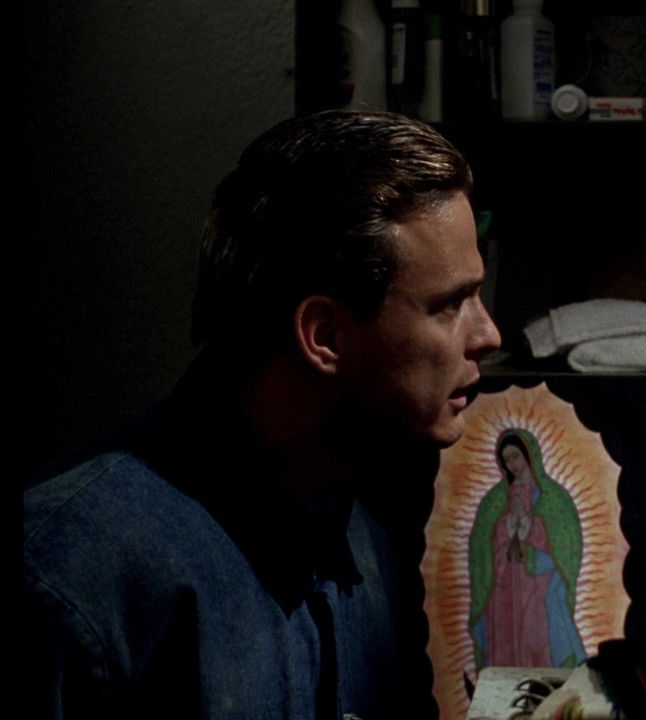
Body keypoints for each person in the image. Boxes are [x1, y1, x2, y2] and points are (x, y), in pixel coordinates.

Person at [23, 110, 502, 719]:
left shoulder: (366, 520)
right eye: (451, 304)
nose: (488, 334)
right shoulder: (68, 576)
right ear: (325, 335)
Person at [468, 429, 586, 670]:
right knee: (505, 640)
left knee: (536, 638)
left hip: (538, 582)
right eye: (506, 460)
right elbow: (481, 544)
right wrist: (506, 531)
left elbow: (565, 545)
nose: (512, 464)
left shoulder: (553, 497)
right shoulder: (495, 499)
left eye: (516, 456)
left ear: (529, 454)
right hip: (503, 585)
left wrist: (529, 526)